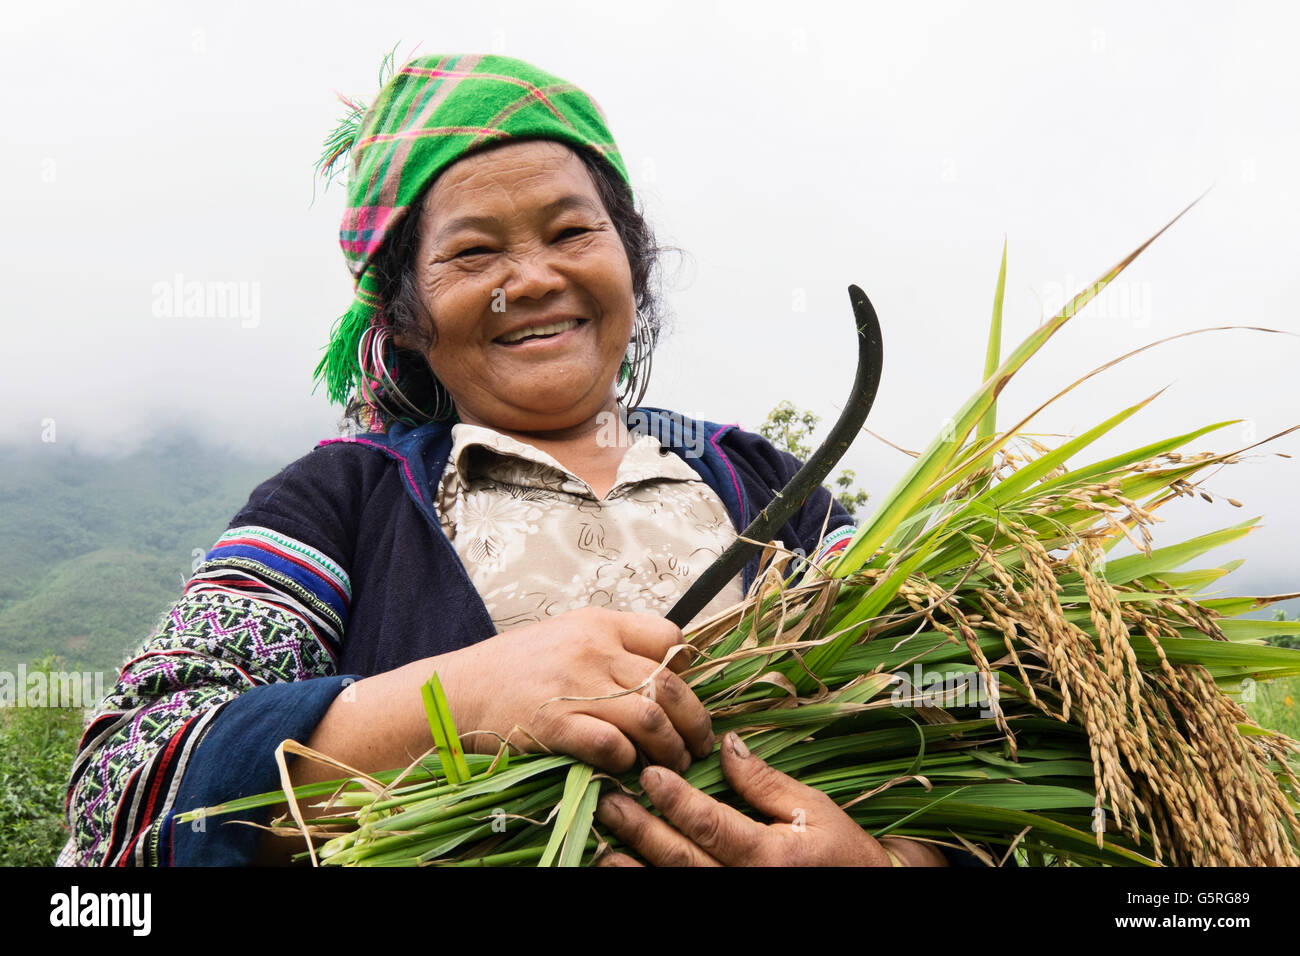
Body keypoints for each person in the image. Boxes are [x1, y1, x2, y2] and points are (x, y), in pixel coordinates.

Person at [61, 53, 949, 867]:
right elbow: (124, 785)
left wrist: (894, 866)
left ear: (631, 262)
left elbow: (970, 732)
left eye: (571, 232)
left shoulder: (759, 480)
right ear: (407, 314)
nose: (530, 278)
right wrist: (460, 702)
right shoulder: (339, 500)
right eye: (474, 251)